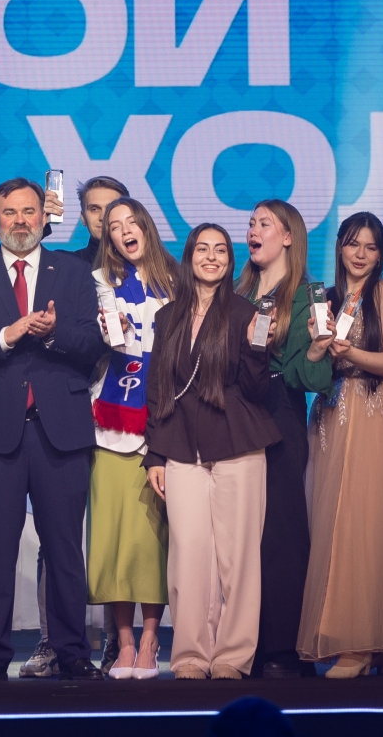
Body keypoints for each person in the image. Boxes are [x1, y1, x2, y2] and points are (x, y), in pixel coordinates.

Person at [0, 178, 105, 682]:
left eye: (29, 211)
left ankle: (72, 651)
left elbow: (94, 342)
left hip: (61, 431)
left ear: (42, 217)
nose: (19, 221)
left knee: (64, 548)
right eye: (9, 213)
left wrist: (54, 335)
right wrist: (5, 336)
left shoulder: (73, 272)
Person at [144, 224, 280, 680]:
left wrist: (259, 346)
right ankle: (189, 655)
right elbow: (158, 389)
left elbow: (256, 390)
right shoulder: (167, 317)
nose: (211, 257)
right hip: (180, 446)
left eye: (220, 250)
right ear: (189, 257)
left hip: (237, 444)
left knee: (238, 558)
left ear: (229, 261)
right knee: (188, 554)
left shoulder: (245, 313)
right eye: (202, 249)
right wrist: (155, 456)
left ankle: (232, 656)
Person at [298, 212, 383, 677]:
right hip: (330, 413)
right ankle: (366, 640)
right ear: (340, 247)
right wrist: (318, 350)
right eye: (354, 244)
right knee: (331, 524)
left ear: (381, 254)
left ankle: (360, 643)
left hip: (373, 410)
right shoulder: (324, 298)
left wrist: (348, 351)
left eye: (371, 247)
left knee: (365, 524)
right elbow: (310, 366)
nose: (360, 254)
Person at [20, 174, 129, 679]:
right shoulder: (66, 266)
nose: (104, 218)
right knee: (59, 533)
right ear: (81, 215)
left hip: (128, 417)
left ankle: (118, 641)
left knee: (118, 532)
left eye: (113, 207)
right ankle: (52, 640)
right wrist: (42, 224)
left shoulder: (150, 269)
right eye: (93, 209)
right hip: (70, 412)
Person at [87, 198, 176, 680]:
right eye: (114, 226)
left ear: (146, 226)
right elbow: (93, 347)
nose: (124, 230)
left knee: (150, 541)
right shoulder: (99, 282)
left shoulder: (178, 280)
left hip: (162, 424)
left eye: (131, 221)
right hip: (109, 425)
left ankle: (150, 639)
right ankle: (122, 641)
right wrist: (108, 332)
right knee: (114, 537)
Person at [233, 200, 315, 679]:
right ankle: (247, 642)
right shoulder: (238, 291)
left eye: (264, 223)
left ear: (288, 237)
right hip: (236, 414)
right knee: (244, 533)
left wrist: (319, 349)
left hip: (280, 410)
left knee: (282, 529)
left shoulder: (303, 296)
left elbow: (307, 373)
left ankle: (285, 646)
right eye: (250, 223)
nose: (253, 229)